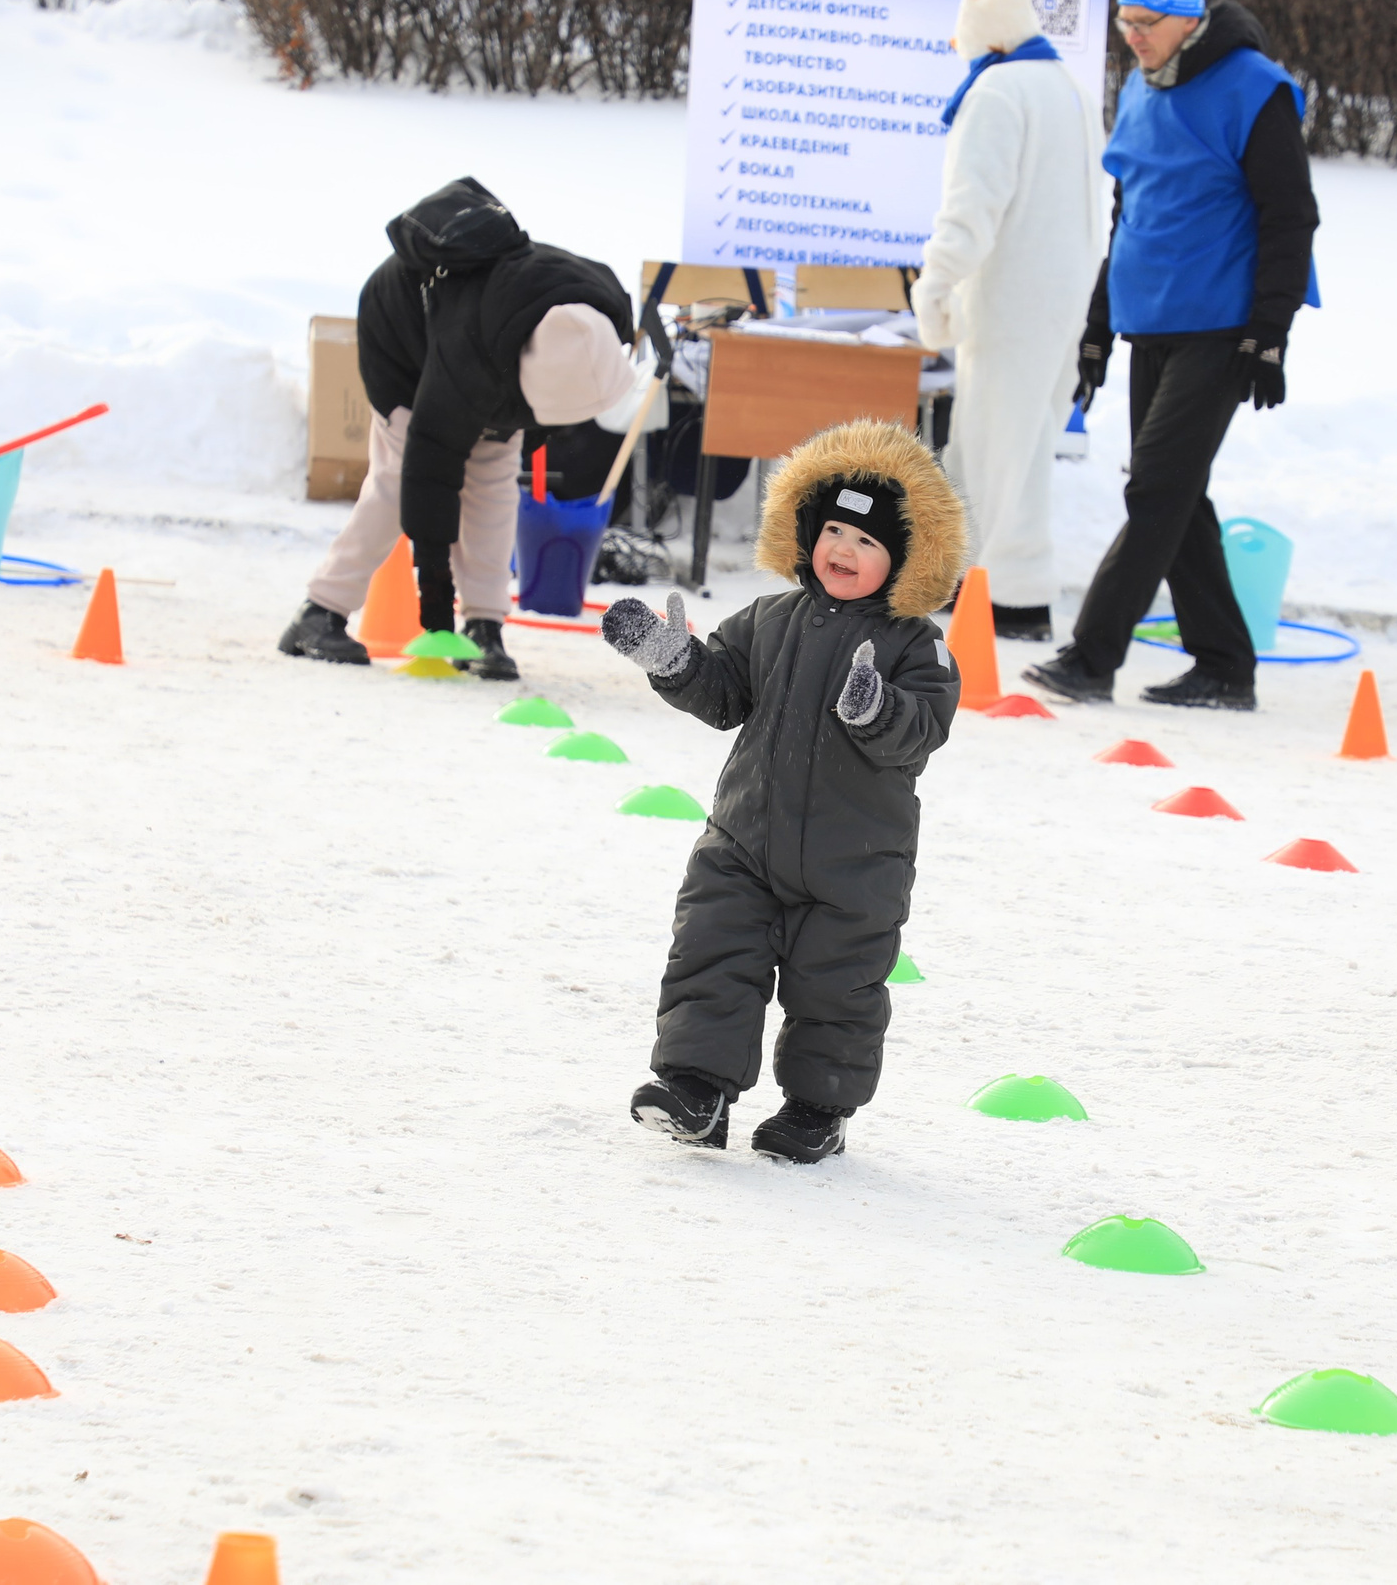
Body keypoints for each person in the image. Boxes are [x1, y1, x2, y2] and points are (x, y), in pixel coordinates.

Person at [601, 422, 967, 1164]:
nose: (843, 550)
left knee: (837, 989)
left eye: (867, 542)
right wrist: (672, 659)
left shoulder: (914, 643)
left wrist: (877, 707)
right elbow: (723, 692)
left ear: (904, 558)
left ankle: (816, 1108)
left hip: (855, 861)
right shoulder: (769, 619)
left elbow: (923, 728)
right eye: (833, 530)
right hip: (745, 839)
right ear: (805, 532)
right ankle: (695, 1090)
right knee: (712, 951)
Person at [1022, 0, 1320, 711]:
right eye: (1125, 24)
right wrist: (1097, 325)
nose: (1134, 38)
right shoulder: (1143, 89)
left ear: (1188, 19)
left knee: (1155, 487)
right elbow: (1130, 212)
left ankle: (1092, 657)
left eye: (1147, 24)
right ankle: (1225, 665)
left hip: (1223, 325)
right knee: (1175, 492)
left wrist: (1270, 331)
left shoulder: (1255, 89)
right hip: (1150, 318)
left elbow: (1290, 217)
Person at [280, 178, 638, 679]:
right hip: (402, 340)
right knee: (396, 482)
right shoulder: (469, 364)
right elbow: (429, 487)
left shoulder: (600, 306)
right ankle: (319, 611)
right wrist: (434, 616)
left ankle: (485, 627)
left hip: (486, 341)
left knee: (493, 485)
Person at [911, 0, 1104, 645]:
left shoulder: (995, 92)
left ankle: (998, 594)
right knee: (1018, 447)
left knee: (994, 448)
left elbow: (970, 208)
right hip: (1063, 299)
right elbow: (1096, 207)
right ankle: (995, 587)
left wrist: (935, 285)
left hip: (1007, 299)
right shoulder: (1073, 91)